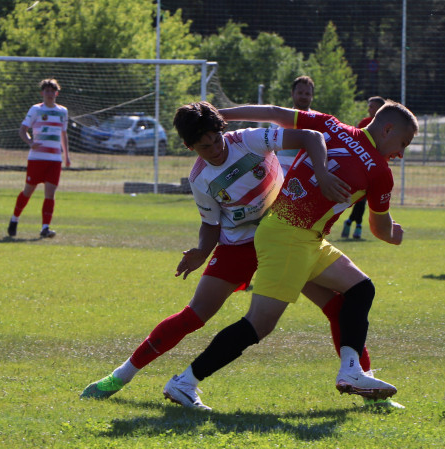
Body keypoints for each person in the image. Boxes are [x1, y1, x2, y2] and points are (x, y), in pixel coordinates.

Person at [81, 101, 396, 408]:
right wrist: (201, 252)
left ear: (221, 130)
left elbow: (301, 132)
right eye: (205, 147)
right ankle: (121, 376)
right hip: (241, 245)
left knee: (339, 305)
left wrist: (322, 173)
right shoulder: (199, 178)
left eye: (216, 139)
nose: (215, 149)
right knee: (195, 315)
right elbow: (211, 223)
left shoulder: (246, 140)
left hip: (283, 234)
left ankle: (362, 381)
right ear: (191, 148)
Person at [162, 100, 419, 411]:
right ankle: (184, 382)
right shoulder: (380, 171)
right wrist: (397, 234)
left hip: (300, 235)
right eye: (403, 143)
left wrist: (220, 116)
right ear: (388, 129)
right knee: (259, 324)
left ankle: (353, 371)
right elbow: (381, 229)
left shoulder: (331, 124)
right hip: (289, 237)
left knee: (360, 288)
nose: (401, 153)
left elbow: (272, 112)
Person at [7, 79, 71, 239]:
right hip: (37, 158)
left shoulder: (63, 111)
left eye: (52, 91)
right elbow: (23, 130)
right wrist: (30, 142)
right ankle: (14, 219)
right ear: (42, 93)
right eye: (46, 91)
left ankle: (45, 227)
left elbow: (64, 134)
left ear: (56, 93)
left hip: (55, 159)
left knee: (50, 193)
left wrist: (67, 156)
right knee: (28, 191)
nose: (49, 94)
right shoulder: (35, 109)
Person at [340, 96, 386, 240]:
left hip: (376, 169)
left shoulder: (387, 127)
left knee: (364, 199)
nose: (369, 109)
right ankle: (357, 225)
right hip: (361, 167)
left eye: (372, 106)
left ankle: (351, 222)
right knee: (360, 198)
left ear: (380, 109)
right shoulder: (364, 123)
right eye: (369, 106)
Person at [272, 75, 315, 173]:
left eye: (307, 93)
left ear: (312, 96)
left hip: (307, 175)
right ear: (292, 93)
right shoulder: (279, 119)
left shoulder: (318, 122)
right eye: (300, 93)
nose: (303, 96)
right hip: (281, 176)